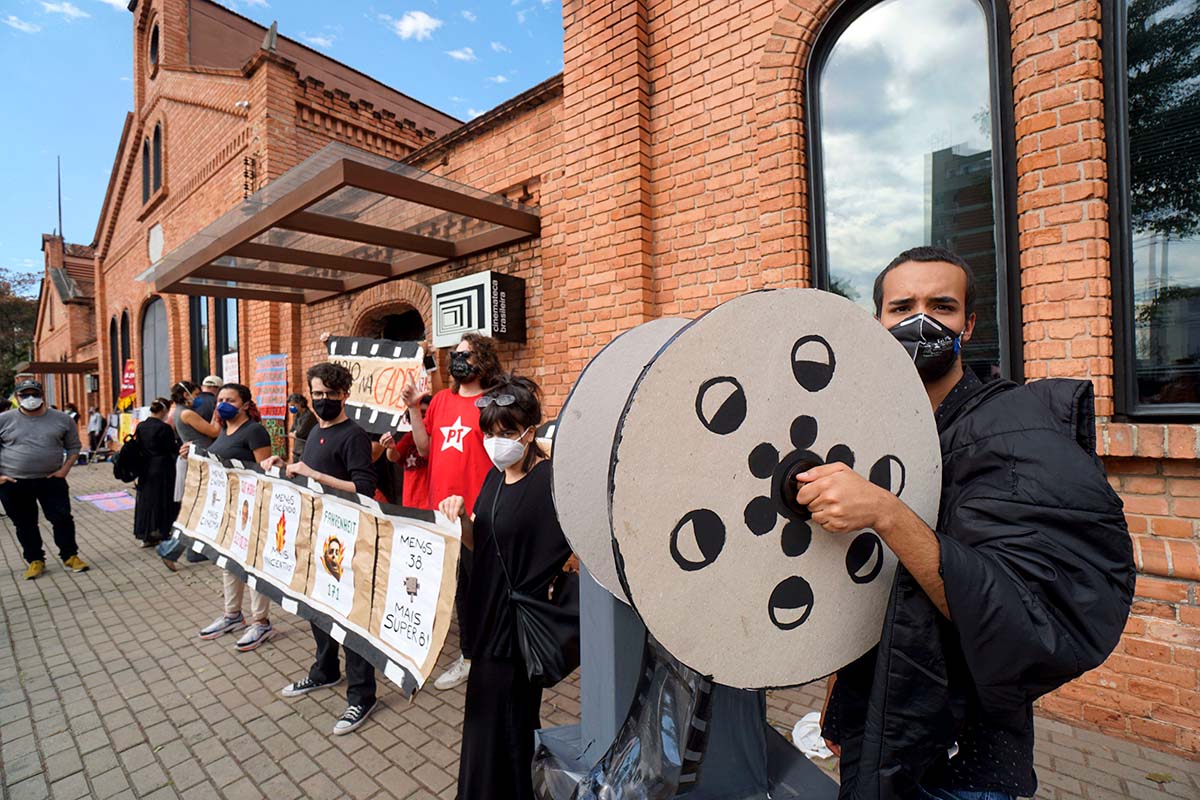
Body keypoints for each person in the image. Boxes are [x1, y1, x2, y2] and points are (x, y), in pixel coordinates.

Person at [805, 246, 1134, 799]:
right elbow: (871, 586)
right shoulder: (872, 433)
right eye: (901, 306)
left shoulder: (1013, 430)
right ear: (879, 321)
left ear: (970, 324)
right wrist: (842, 697)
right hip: (878, 722)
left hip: (969, 757)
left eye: (943, 306)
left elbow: (1011, 601)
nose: (921, 320)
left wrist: (887, 512)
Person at [437, 375, 574, 800]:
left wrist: (559, 579)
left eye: (508, 433)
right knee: (482, 721)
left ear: (530, 431)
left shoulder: (552, 481)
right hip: (488, 620)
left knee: (511, 724)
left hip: (519, 630)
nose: (497, 442)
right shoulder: (496, 475)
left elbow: (578, 545)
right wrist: (459, 520)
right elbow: (484, 540)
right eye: (491, 433)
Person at [272, 363, 380, 735]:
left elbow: (364, 488)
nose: (322, 401)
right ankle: (325, 670)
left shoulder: (355, 436)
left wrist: (315, 475)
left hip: (347, 541)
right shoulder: (316, 428)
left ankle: (362, 695)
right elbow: (307, 471)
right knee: (317, 608)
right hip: (316, 535)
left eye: (330, 395)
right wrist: (286, 467)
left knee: (350, 618)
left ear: (345, 395)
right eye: (317, 394)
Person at [404, 333, 502, 690]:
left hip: (479, 514)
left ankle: (486, 654)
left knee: (483, 586)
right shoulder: (442, 400)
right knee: (458, 588)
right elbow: (425, 448)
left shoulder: (494, 404)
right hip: (441, 514)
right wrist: (415, 408)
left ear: (484, 362)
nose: (459, 360)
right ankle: (470, 655)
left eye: (467, 355)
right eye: (456, 355)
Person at [193, 383, 276, 652]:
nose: (223, 403)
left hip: (250, 509)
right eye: (220, 399)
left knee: (252, 564)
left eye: (230, 399)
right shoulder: (224, 429)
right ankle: (232, 615)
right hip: (227, 508)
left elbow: (265, 472)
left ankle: (261, 621)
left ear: (244, 404)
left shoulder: (254, 431)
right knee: (228, 562)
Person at [0, 379, 89, 579]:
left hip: (51, 480)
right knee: (25, 523)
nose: (30, 398)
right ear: (17, 397)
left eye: (34, 393)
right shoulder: (4, 420)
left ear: (42, 395)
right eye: (25, 395)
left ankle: (70, 556)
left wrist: (65, 469)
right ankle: (35, 560)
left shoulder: (62, 419)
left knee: (62, 519)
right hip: (14, 483)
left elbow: (74, 446)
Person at [157, 381, 221, 570]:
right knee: (198, 509)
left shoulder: (179, 411)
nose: (199, 398)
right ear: (186, 395)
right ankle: (171, 549)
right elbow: (214, 431)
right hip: (200, 463)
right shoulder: (186, 413)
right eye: (196, 394)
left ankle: (191, 551)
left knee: (199, 509)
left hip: (197, 460)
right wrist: (218, 413)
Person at [132, 398, 181, 547]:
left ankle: (145, 533)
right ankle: (163, 531)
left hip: (145, 467)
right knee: (164, 499)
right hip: (163, 468)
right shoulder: (164, 428)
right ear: (164, 411)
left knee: (146, 500)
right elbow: (171, 448)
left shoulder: (141, 426)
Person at [380, 393, 433, 509]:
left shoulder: (438, 439)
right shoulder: (408, 438)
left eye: (425, 415)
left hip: (432, 505)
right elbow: (394, 457)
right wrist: (391, 447)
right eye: (417, 414)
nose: (420, 420)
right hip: (410, 502)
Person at [286, 393, 317, 461]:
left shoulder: (308, 416)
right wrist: (294, 433)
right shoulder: (298, 415)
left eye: (293, 405)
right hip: (297, 450)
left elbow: (300, 433)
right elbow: (291, 430)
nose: (291, 407)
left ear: (300, 403)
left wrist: (295, 433)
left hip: (305, 451)